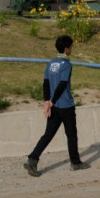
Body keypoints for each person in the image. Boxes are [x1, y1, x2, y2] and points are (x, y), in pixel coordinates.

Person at [23, 35, 90, 177]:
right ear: (66, 49)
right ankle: (76, 162)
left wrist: (47, 102)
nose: (71, 49)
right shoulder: (66, 65)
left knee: (48, 135)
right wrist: (52, 101)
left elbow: (46, 84)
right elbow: (62, 84)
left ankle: (32, 159)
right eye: (71, 47)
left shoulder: (50, 63)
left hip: (54, 107)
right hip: (66, 105)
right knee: (71, 135)